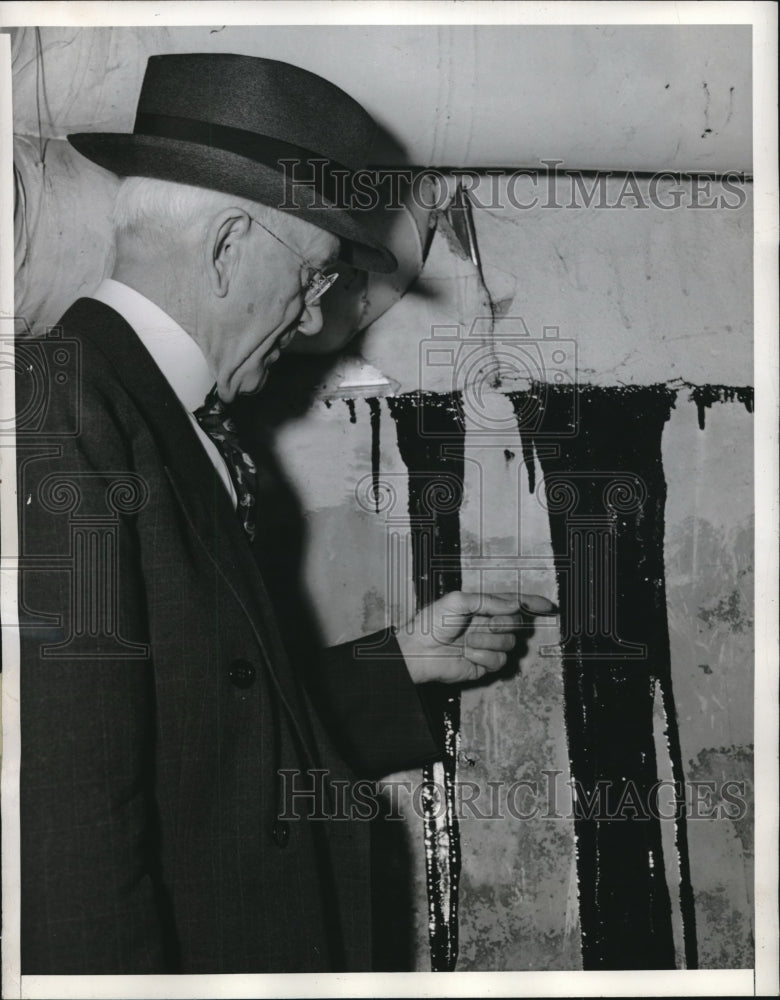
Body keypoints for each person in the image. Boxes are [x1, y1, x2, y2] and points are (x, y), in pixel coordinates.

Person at [16, 52, 555, 974]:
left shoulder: (147, 413)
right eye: (311, 279)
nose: (312, 322)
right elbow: (70, 829)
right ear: (229, 247)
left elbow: (195, 730)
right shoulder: (60, 415)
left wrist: (406, 660)